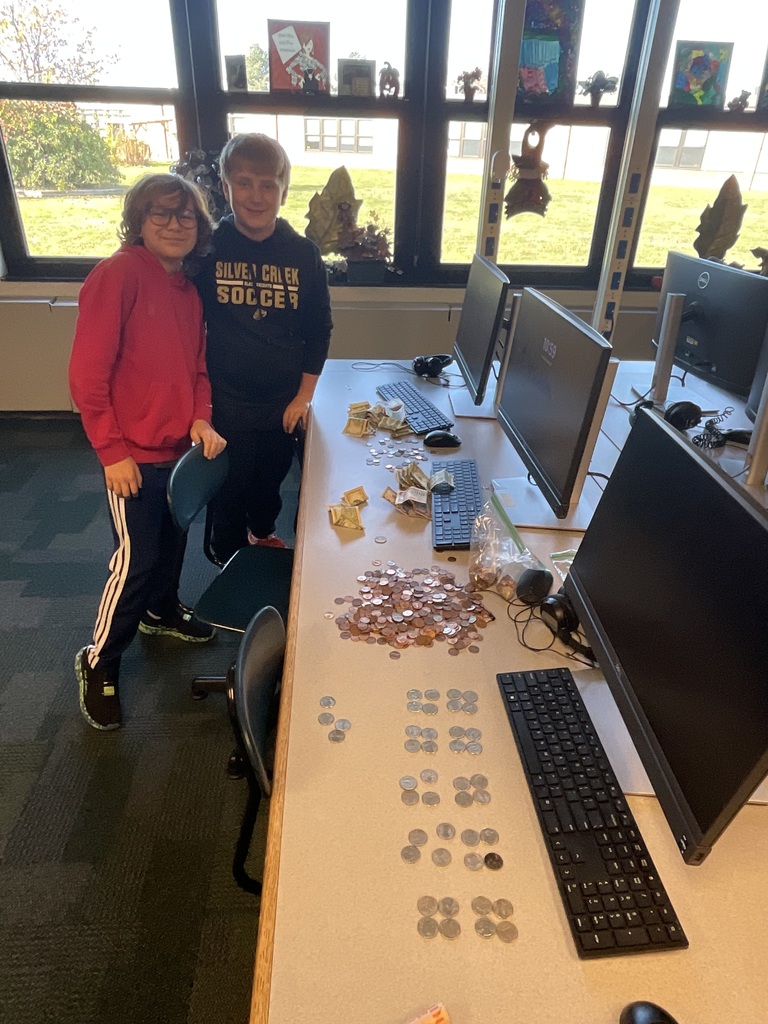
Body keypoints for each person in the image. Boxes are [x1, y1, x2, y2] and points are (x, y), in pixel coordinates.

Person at [69, 173, 227, 731]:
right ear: (138, 219)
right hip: (130, 458)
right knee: (134, 562)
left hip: (177, 452)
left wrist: (200, 418)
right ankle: (98, 662)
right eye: (161, 213)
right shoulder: (118, 275)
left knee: (173, 542)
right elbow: (87, 376)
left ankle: (163, 613)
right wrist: (112, 452)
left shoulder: (187, 288)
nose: (175, 224)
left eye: (186, 216)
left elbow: (198, 370)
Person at [194, 133, 333, 562]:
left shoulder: (303, 254)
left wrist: (304, 397)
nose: (257, 195)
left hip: (282, 399)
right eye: (245, 182)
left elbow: (319, 329)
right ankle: (228, 552)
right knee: (231, 481)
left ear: (284, 191)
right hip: (226, 398)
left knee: (270, 476)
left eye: (268, 184)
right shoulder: (208, 250)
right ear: (224, 186)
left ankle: (262, 531)